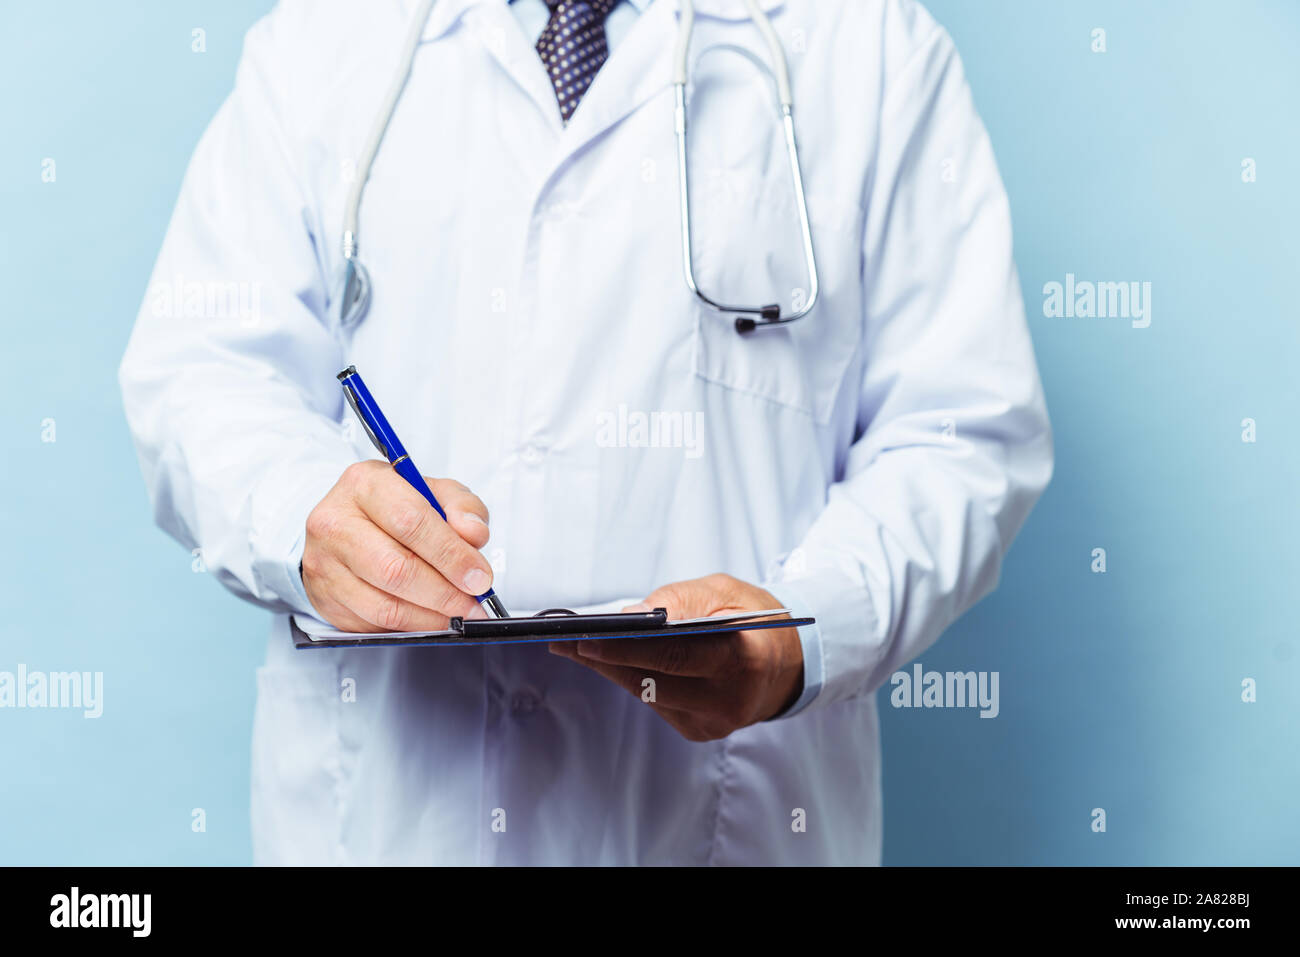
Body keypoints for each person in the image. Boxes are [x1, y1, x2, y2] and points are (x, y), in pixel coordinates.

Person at [119, 0, 1052, 865]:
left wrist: (800, 637)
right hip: (389, 821)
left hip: (729, 824)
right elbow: (203, 375)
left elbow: (959, 436)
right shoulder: (325, 37)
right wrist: (306, 515)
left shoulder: (873, 50)